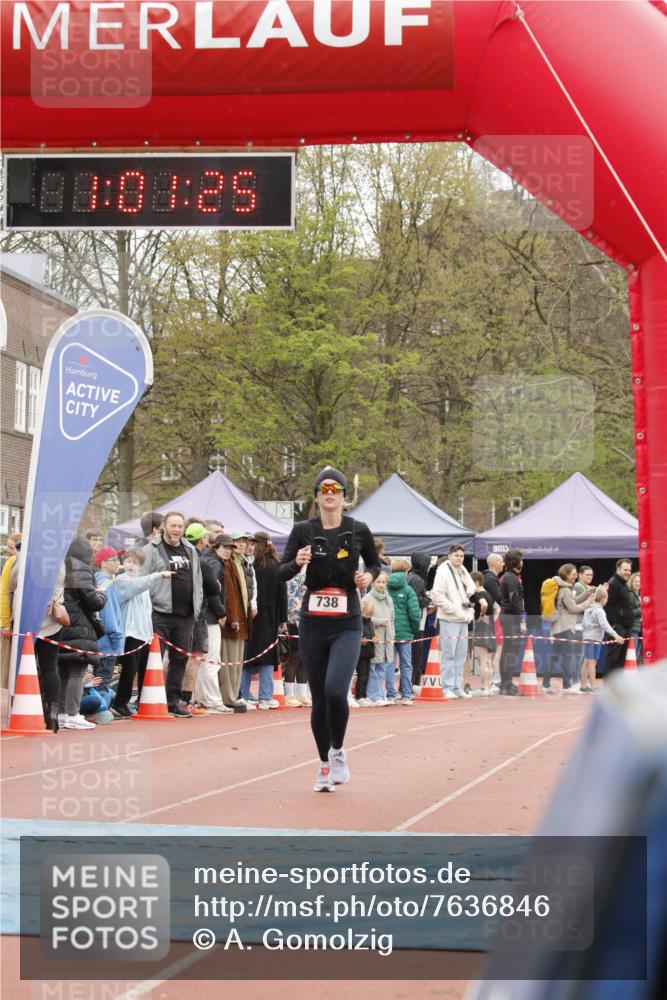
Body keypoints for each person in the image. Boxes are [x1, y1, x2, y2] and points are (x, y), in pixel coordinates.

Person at [280, 467, 382, 792]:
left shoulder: (359, 529)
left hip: (347, 621)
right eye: (323, 488)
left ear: (343, 496)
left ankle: (338, 751)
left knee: (337, 691)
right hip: (313, 622)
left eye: (335, 488)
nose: (329, 493)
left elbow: (378, 563)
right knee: (319, 698)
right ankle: (324, 765)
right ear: (316, 496)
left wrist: (368, 576)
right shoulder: (302, 530)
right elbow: (280, 572)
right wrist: (297, 562)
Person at [143, 511, 203, 717]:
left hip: (185, 615)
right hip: (160, 612)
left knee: (180, 660)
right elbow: (143, 579)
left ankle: (172, 701)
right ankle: (147, 698)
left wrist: (197, 605)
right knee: (153, 658)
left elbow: (197, 579)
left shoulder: (190, 550)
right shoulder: (151, 549)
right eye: (173, 526)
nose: (176, 530)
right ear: (164, 527)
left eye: (180, 526)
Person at [113, 548, 173, 717]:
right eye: (129, 561)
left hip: (144, 635)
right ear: (123, 563)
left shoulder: (143, 584)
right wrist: (158, 575)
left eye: (136, 563)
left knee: (144, 669)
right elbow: (136, 586)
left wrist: (150, 634)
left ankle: (143, 702)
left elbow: (147, 608)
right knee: (129, 670)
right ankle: (120, 703)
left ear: (141, 567)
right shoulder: (122, 580)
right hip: (130, 633)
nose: (131, 565)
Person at [57, 536, 107, 729]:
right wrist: (102, 593)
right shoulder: (82, 569)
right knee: (77, 672)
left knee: (63, 670)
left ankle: (62, 713)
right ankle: (73, 714)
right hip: (80, 625)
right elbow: (93, 601)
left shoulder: (61, 566)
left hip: (62, 623)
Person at [241, 532, 287, 709]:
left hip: (249, 614)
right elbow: (282, 594)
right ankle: (265, 696)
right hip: (269, 615)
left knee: (247, 654)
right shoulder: (275, 565)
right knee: (268, 656)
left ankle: (243, 693)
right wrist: (282, 618)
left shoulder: (247, 565)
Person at [431, 544, 478, 700]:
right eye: (456, 555)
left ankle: (457, 686)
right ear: (450, 555)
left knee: (461, 654)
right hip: (449, 618)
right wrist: (451, 608)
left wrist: (464, 605)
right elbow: (436, 595)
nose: (459, 558)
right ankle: (447, 686)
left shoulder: (462, 571)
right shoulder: (443, 572)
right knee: (448, 653)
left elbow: (470, 589)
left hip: (463, 618)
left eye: (461, 556)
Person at [194, 534, 234, 713]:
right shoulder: (214, 564)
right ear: (215, 547)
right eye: (225, 547)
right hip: (209, 618)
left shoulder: (207, 560)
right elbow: (212, 592)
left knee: (203, 660)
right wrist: (222, 613)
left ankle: (202, 698)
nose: (228, 551)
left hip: (202, 616)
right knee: (212, 660)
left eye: (230, 548)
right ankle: (212, 700)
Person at [542, 563, 595, 694]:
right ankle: (567, 685)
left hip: (559, 627)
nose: (575, 576)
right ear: (566, 574)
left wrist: (586, 594)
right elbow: (573, 608)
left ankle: (546, 684)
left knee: (554, 656)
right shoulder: (565, 589)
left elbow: (574, 601)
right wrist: (589, 602)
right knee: (568, 656)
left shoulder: (564, 588)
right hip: (565, 627)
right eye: (573, 574)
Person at [221, 533, 253, 712]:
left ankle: (234, 695)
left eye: (243, 542)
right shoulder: (229, 563)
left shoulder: (242, 563)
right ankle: (229, 697)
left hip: (243, 618)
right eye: (237, 542)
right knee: (229, 660)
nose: (241, 545)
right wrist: (232, 617)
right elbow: (229, 594)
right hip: (233, 619)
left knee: (237, 661)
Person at [387, 558, 421, 705]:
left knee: (389, 663)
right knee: (406, 664)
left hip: (387, 632)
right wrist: (414, 630)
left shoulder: (384, 587)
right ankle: (406, 694)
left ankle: (390, 694)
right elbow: (414, 614)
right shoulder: (408, 590)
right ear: (406, 571)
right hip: (405, 633)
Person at [93, 546, 124, 699]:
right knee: (103, 681)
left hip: (97, 641)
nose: (118, 563)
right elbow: (109, 616)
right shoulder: (107, 584)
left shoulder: (95, 581)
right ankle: (100, 711)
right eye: (114, 560)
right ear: (103, 563)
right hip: (107, 644)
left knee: (95, 681)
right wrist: (118, 640)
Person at [581, 586, 625, 692]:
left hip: (587, 637)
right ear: (603, 599)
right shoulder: (600, 611)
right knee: (592, 663)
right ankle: (593, 686)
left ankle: (583, 686)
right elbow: (605, 625)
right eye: (607, 598)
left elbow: (583, 623)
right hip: (594, 639)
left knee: (586, 662)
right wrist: (616, 636)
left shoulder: (588, 608)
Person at [498, 548, 526, 696]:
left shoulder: (509, 576)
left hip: (508, 616)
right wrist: (521, 620)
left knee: (508, 651)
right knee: (510, 652)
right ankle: (507, 685)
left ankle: (506, 684)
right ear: (516, 562)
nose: (523, 562)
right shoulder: (511, 578)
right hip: (510, 618)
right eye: (521, 559)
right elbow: (514, 600)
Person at [366, 571, 395, 706]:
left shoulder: (389, 599)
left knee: (381, 667)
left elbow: (392, 619)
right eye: (378, 582)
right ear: (372, 583)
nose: (381, 585)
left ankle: (380, 693)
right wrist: (379, 621)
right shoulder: (367, 599)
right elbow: (364, 618)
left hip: (386, 638)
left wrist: (392, 634)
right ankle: (374, 695)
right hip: (374, 637)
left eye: (383, 582)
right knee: (372, 667)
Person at [284, 568, 311, 707]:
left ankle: (301, 693)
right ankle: (289, 693)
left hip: (309, 620)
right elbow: (292, 596)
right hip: (294, 620)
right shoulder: (294, 576)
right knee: (295, 655)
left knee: (305, 657)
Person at [603, 559, 635, 675]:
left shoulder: (623, 584)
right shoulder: (613, 583)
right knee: (613, 658)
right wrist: (614, 626)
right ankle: (608, 686)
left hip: (625, 627)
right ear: (618, 569)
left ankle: (616, 688)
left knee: (621, 660)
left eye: (629, 570)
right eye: (625, 569)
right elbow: (607, 605)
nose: (627, 572)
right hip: (618, 628)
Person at [469, 570, 496, 696]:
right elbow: (498, 608)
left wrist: (481, 615)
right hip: (491, 628)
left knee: (483, 660)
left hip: (482, 628)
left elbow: (483, 605)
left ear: (476, 582)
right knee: (489, 661)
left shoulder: (478, 594)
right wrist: (491, 620)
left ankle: (483, 688)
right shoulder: (489, 594)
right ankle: (489, 687)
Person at [408, 553, 431, 690]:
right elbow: (415, 601)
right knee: (415, 655)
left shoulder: (411, 577)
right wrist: (428, 600)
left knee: (412, 655)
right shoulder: (417, 580)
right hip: (416, 623)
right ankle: (412, 685)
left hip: (414, 622)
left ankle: (411, 684)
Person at [355, 597, 376, 706]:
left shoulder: (371, 623)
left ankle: (364, 695)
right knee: (361, 675)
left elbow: (373, 634)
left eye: (371, 614)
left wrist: (375, 638)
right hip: (360, 653)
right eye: (367, 614)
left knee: (367, 674)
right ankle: (358, 696)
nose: (368, 616)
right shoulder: (358, 622)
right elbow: (355, 636)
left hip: (369, 652)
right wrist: (360, 641)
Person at [628, 572, 642, 663]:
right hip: (632, 629)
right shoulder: (630, 594)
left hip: (638, 629)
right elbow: (629, 612)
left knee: (636, 655)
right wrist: (642, 608)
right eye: (636, 581)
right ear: (631, 582)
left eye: (639, 582)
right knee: (632, 655)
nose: (638, 583)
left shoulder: (637, 594)